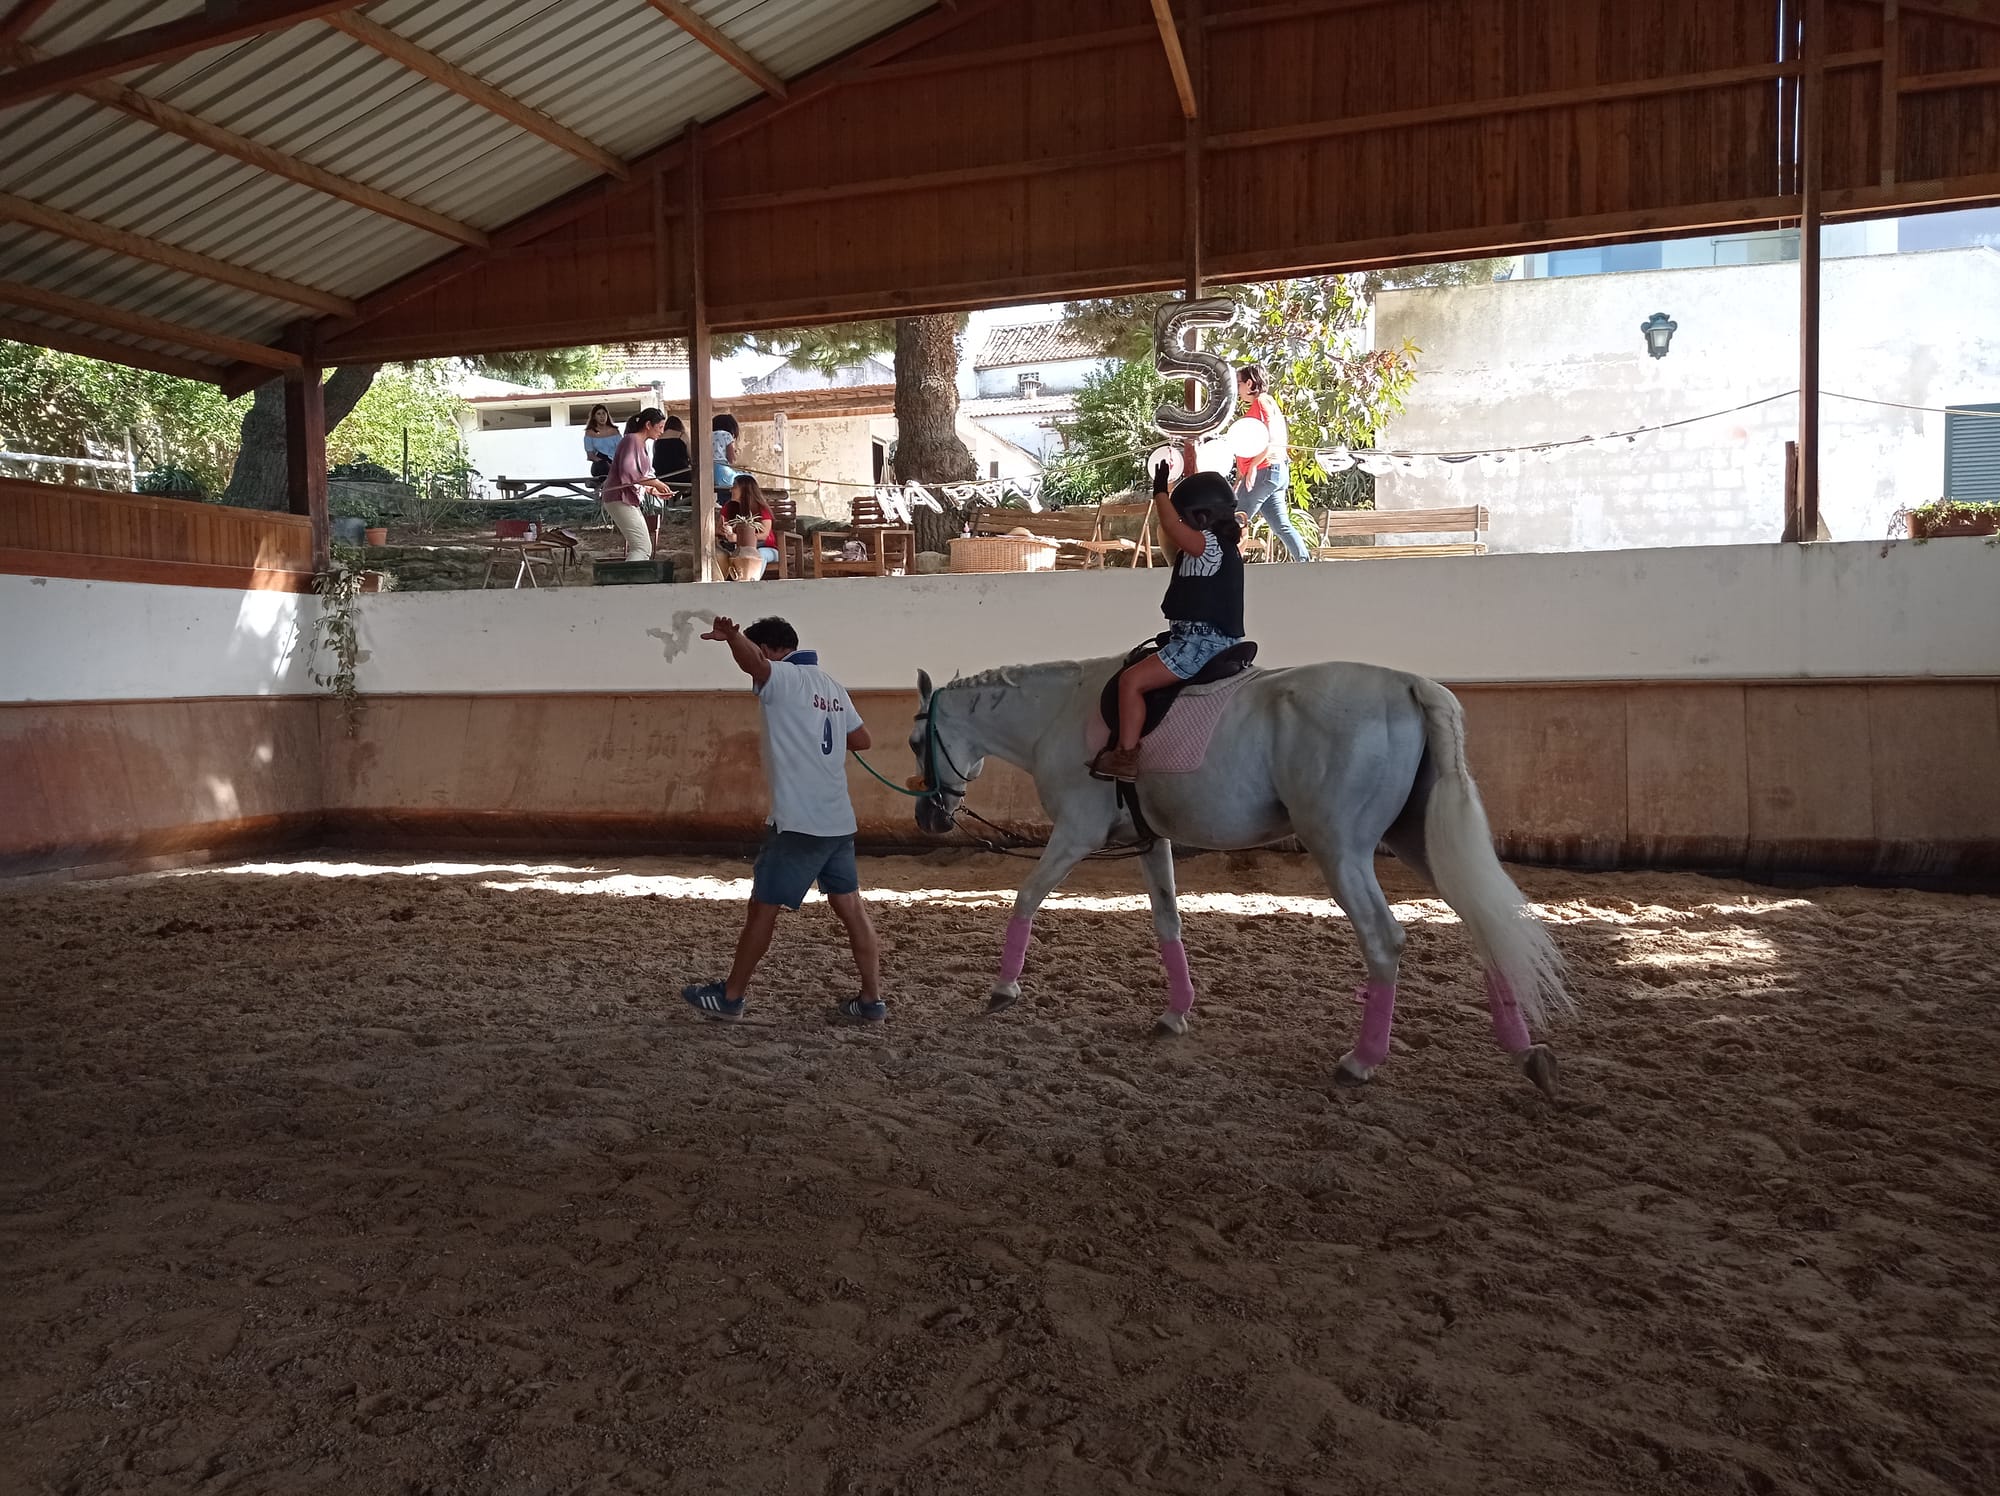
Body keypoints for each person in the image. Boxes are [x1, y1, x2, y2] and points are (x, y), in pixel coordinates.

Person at [683, 615, 885, 1025]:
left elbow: (753, 666)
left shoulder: (785, 679)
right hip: (837, 820)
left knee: (762, 910)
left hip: (798, 822)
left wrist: (733, 637)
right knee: (851, 909)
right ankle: (871, 1000)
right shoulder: (831, 685)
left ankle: (731, 996)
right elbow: (861, 740)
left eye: (762, 651)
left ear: (772, 650)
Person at [1089, 462, 1244, 783]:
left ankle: (1125, 757)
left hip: (1199, 644)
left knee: (1130, 682)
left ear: (1201, 519)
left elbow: (1172, 528)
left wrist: (1160, 492)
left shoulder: (1210, 546)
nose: (1181, 525)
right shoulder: (1210, 549)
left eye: (1186, 518)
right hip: (1195, 637)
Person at [1233, 363, 1311, 562]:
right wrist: (1240, 475)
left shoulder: (1261, 402)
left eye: (1239, 383)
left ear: (1250, 383)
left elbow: (1270, 437)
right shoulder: (1267, 402)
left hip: (1265, 470)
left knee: (1236, 518)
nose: (1237, 388)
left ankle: (1226, 567)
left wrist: (1251, 466)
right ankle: (1305, 563)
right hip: (1274, 471)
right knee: (1280, 525)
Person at [604, 408, 674, 561]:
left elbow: (636, 478)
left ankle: (630, 582)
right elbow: (629, 471)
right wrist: (655, 482)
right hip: (619, 497)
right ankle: (630, 583)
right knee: (642, 547)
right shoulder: (632, 440)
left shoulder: (639, 443)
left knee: (642, 546)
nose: (662, 431)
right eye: (660, 427)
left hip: (623, 497)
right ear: (648, 425)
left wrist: (651, 489)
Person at [719, 473, 780, 570]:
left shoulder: (761, 509)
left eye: (734, 486)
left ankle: (752, 581)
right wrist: (725, 531)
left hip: (767, 549)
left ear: (744, 490)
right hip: (737, 549)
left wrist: (739, 538)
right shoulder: (728, 507)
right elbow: (718, 529)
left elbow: (765, 535)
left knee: (758, 554)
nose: (731, 490)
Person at [582, 403, 622, 484]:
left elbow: (621, 450)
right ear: (594, 417)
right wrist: (605, 463)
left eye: (604, 413)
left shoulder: (614, 431)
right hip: (600, 464)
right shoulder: (590, 433)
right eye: (599, 414)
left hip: (615, 463)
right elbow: (590, 455)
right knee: (603, 468)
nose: (602, 416)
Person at [653, 414, 692, 491]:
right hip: (681, 475)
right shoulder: (682, 436)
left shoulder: (657, 439)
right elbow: (692, 457)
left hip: (662, 476)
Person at [711, 413, 740, 492]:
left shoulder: (706, 435)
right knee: (747, 478)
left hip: (705, 470)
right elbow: (731, 459)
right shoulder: (726, 435)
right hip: (721, 468)